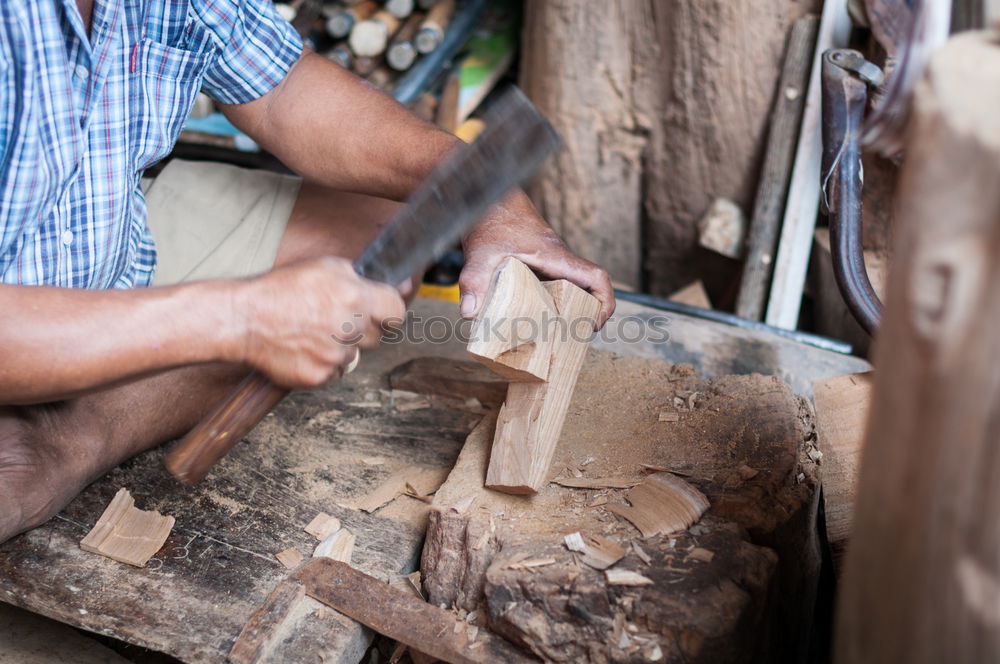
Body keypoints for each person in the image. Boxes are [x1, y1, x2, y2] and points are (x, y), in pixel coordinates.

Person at [0, 0, 614, 543]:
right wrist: (239, 317)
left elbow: (285, 93)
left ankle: (83, 425)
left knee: (378, 234)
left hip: (97, 245)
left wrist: (482, 193)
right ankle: (52, 439)